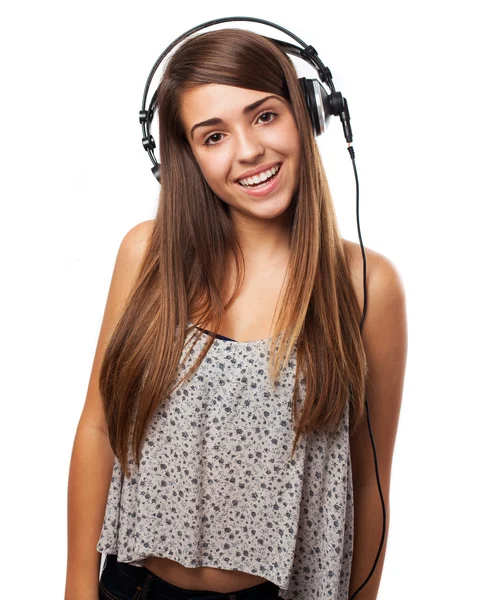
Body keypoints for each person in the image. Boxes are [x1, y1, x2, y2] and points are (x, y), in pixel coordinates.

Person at [65, 27, 407, 600]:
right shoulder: (146, 255)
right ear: (187, 156)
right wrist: (77, 586)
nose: (248, 151)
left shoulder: (365, 284)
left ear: (310, 115)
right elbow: (98, 427)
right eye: (214, 135)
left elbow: (368, 483)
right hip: (132, 587)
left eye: (265, 116)